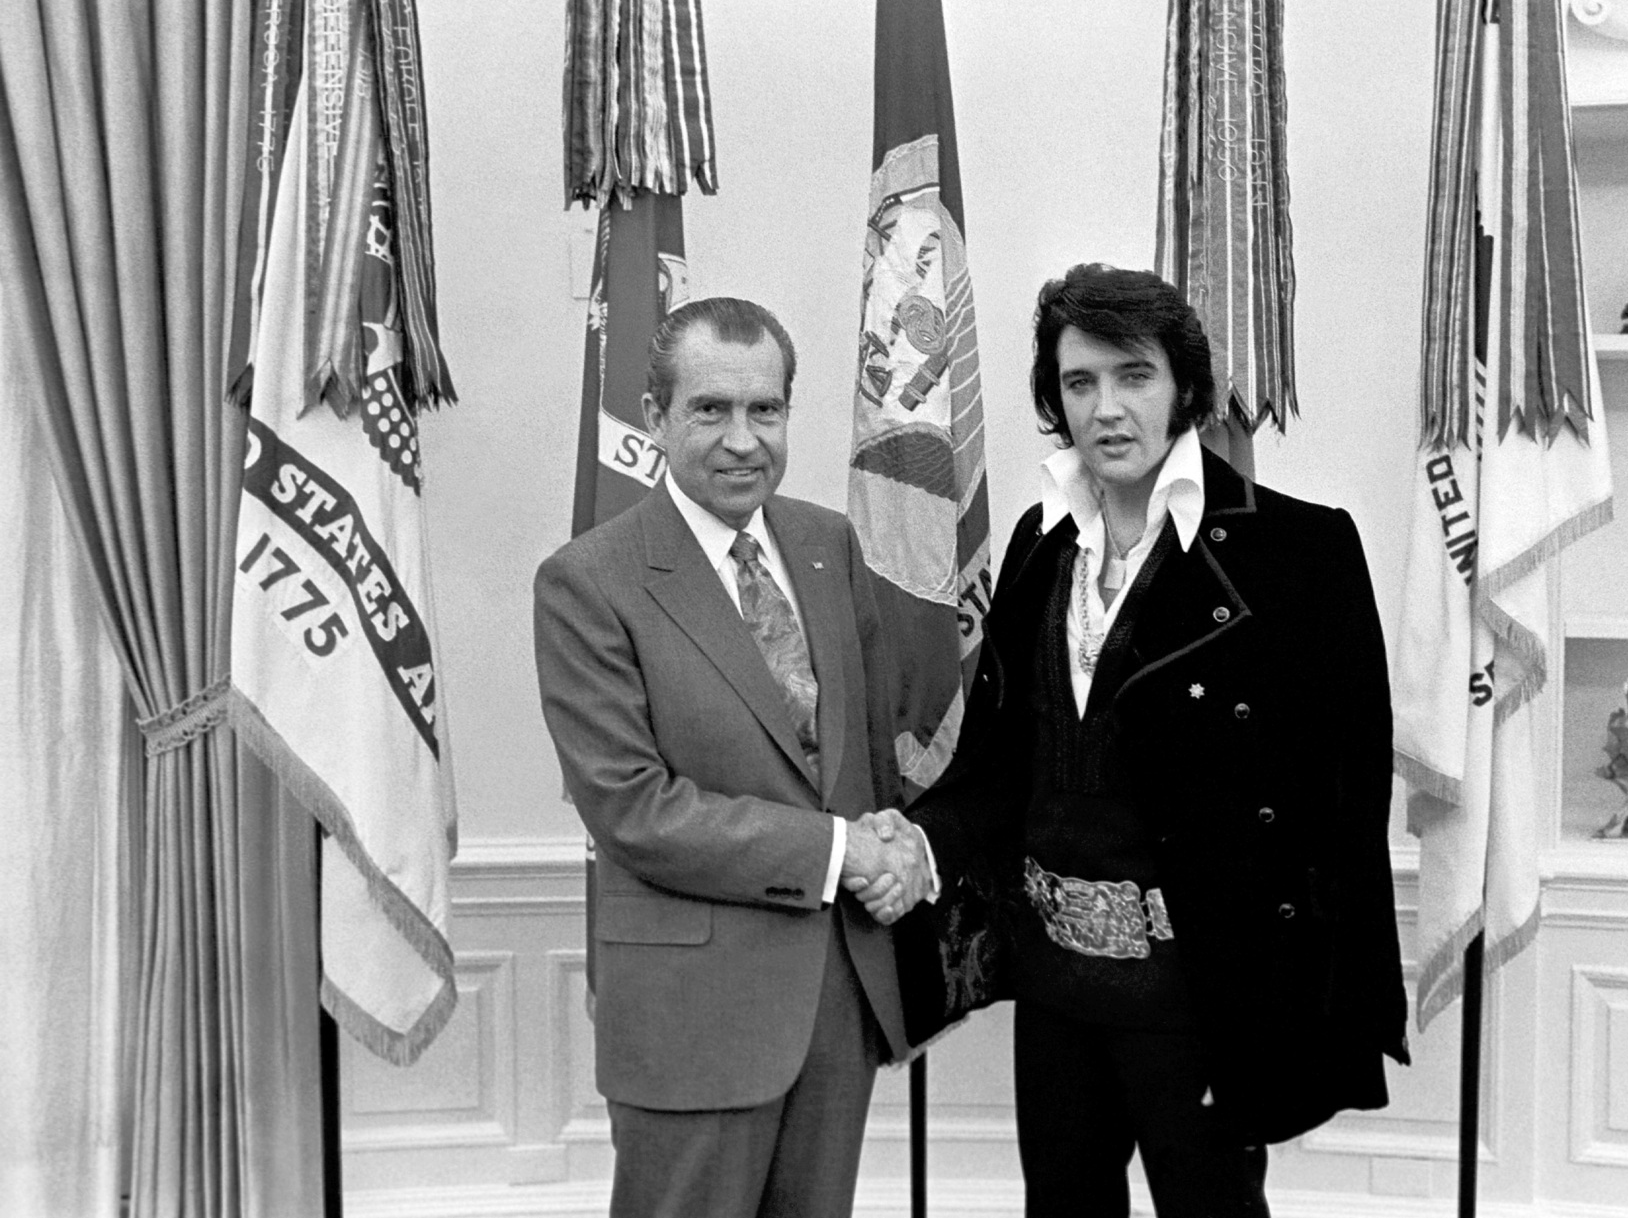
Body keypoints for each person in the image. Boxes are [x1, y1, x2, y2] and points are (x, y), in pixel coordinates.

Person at [866, 264, 1409, 1217]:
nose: (1106, 408)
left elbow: (1345, 807)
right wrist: (914, 839)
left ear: (1185, 387)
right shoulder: (1039, 544)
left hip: (1203, 995)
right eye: (1080, 382)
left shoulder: (1301, 553)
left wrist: (1316, 1007)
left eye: (1134, 375)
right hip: (1055, 987)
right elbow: (1001, 767)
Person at [533, 296, 933, 1218]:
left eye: (766, 409)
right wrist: (841, 851)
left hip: (837, 1002)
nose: (742, 440)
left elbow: (865, 757)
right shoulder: (587, 581)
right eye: (711, 409)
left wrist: (900, 842)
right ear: (655, 415)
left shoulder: (828, 544)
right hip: (691, 1021)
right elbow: (632, 807)